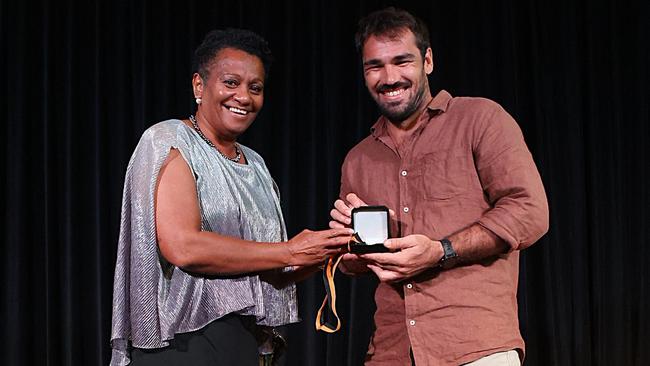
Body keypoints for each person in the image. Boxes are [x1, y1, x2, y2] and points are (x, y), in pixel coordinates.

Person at [110, 28, 352, 366]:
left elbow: (270, 269)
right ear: (199, 85)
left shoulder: (255, 164)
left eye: (255, 88)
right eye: (230, 83)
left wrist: (323, 251)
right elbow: (182, 247)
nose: (244, 97)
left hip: (247, 344)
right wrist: (290, 250)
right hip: (184, 345)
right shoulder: (169, 140)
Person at [329, 7, 549, 366]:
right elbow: (352, 265)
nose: (389, 77)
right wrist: (347, 248)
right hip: (391, 352)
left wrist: (440, 250)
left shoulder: (480, 119)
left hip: (474, 347)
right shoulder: (358, 158)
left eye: (403, 61)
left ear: (427, 60)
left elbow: (530, 211)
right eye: (375, 66)